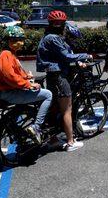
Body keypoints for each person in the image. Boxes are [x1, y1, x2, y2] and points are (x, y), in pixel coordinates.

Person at [36, 10, 92, 152]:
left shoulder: (47, 37)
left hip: (52, 76)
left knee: (54, 108)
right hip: (59, 77)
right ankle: (70, 142)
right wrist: (86, 55)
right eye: (60, 24)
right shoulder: (54, 38)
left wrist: (76, 61)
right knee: (67, 109)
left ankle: (53, 139)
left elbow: (62, 56)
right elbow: (66, 56)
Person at [0, 25, 52, 145]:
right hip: (9, 93)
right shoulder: (6, 54)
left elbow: (16, 73)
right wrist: (28, 85)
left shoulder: (11, 54)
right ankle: (36, 127)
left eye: (21, 40)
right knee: (48, 95)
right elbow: (9, 76)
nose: (19, 43)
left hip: (9, 91)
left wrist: (27, 77)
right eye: (15, 40)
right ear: (7, 41)